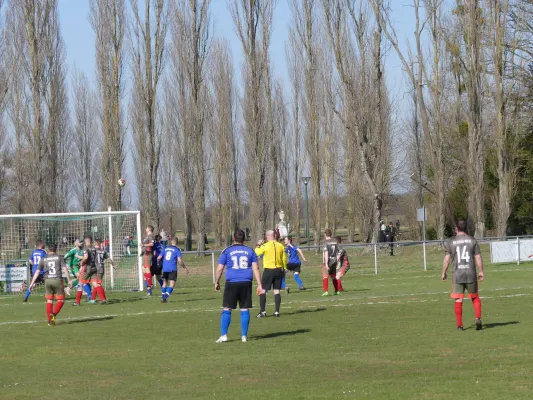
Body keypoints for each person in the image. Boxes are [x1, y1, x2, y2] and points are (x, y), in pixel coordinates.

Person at [215, 229, 262, 343]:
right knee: (244, 308)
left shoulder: (227, 251)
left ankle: (224, 335)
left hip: (232, 282)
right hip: (246, 282)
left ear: (233, 238)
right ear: (244, 239)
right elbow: (255, 268)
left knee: (227, 308)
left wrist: (216, 281)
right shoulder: (250, 251)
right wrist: (260, 285)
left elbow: (220, 268)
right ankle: (244, 336)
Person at [442, 220, 485, 331]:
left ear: (456, 228)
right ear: (466, 228)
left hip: (457, 275)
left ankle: (460, 326)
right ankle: (478, 318)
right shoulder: (472, 240)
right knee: (475, 297)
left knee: (458, 300)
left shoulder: (451, 241)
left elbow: (447, 260)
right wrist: (481, 271)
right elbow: (478, 257)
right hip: (470, 273)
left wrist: (443, 272)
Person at [28, 243, 72, 326]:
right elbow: (65, 269)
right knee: (61, 300)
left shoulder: (43, 258)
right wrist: (69, 281)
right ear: (56, 249)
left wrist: (31, 284)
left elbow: (37, 272)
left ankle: (50, 320)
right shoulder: (59, 257)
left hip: (47, 281)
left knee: (49, 300)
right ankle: (53, 315)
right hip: (57, 280)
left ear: (48, 249)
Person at [255, 230, 287, 318]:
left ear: (267, 236)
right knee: (276, 290)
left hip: (269, 270)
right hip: (278, 269)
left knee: (263, 290)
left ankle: (263, 311)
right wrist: (284, 268)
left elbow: (256, 253)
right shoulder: (280, 245)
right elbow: (284, 258)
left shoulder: (265, 246)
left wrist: (258, 245)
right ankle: (277, 311)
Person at [157, 237, 189, 303]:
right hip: (172, 268)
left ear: (171, 242)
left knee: (165, 283)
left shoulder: (165, 249)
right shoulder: (177, 250)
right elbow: (180, 261)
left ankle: (163, 298)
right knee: (172, 284)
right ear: (177, 242)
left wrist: (160, 263)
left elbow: (158, 258)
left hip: (165, 268)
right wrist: (185, 268)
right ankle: (164, 297)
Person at [91, 238, 114, 304]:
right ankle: (93, 299)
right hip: (101, 269)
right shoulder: (103, 251)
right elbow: (109, 259)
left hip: (95, 269)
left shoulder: (93, 250)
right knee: (96, 284)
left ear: (95, 243)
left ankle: (103, 299)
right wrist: (113, 265)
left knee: (97, 284)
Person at [64, 239, 87, 306]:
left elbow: (85, 257)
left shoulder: (83, 250)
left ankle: (71, 288)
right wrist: (63, 263)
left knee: (81, 279)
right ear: (76, 243)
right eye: (80, 242)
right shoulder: (73, 250)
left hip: (80, 266)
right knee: (80, 278)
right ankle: (68, 288)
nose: (81, 243)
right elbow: (66, 256)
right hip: (73, 266)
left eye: (82, 242)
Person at [322, 229, 341, 296]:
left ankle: (326, 291)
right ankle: (337, 290)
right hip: (334, 261)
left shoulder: (325, 242)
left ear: (325, 234)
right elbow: (339, 252)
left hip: (328, 261)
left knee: (325, 276)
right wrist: (338, 261)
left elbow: (326, 253)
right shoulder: (335, 241)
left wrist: (326, 264)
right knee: (333, 276)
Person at [141, 225, 155, 296]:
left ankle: (150, 285)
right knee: (143, 270)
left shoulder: (151, 236)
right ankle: (149, 290)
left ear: (149, 229)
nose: (145, 229)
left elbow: (152, 244)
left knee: (147, 268)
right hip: (144, 254)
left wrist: (144, 245)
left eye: (146, 228)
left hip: (148, 254)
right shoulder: (146, 236)